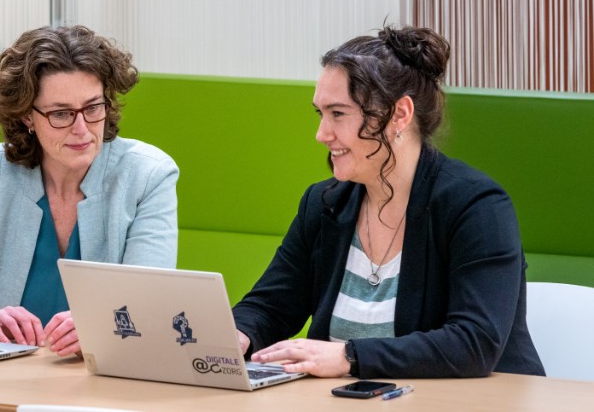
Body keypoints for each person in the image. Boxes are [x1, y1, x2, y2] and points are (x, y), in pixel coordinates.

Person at [232, 25, 544, 379]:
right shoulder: (323, 204)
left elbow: (474, 343)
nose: (321, 134)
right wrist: (236, 335)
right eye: (320, 114)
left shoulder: (477, 206)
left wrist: (349, 357)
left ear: (399, 115)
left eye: (338, 114)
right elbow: (270, 306)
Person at [0, 25, 180, 357]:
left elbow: (151, 301)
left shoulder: (148, 174)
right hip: (4, 378)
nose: (81, 129)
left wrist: (100, 327)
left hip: (109, 379)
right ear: (27, 116)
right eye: (61, 114)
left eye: (93, 108)